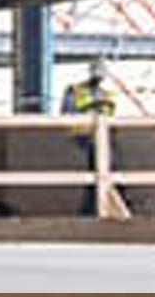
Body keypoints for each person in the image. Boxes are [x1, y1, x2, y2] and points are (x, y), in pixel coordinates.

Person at [61, 59, 117, 216]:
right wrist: (91, 107)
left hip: (101, 139)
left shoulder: (106, 94)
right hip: (81, 136)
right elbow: (67, 112)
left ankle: (95, 207)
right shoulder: (75, 90)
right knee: (95, 172)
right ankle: (89, 209)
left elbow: (111, 117)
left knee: (102, 173)